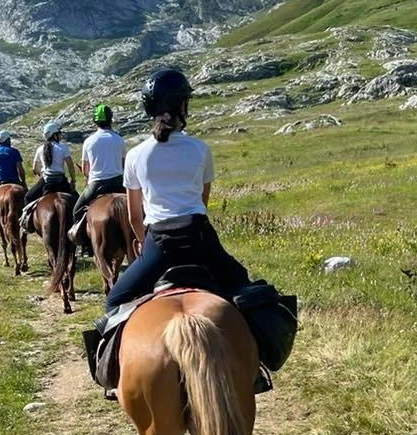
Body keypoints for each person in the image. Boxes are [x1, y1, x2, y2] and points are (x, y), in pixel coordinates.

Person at [104, 68, 250, 311]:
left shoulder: (135, 155)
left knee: (114, 301)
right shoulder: (200, 149)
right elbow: (202, 202)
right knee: (247, 289)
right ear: (183, 106)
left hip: (158, 243)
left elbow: (134, 216)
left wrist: (143, 242)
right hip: (201, 239)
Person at [67, 104, 127, 254]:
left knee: (76, 211)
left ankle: (85, 244)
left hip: (97, 184)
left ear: (95, 122)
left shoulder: (89, 141)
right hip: (118, 182)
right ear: (110, 120)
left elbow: (86, 170)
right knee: (138, 207)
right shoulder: (119, 140)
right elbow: (124, 165)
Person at [23, 121, 76, 209]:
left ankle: (25, 220)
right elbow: (70, 165)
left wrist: (40, 174)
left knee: (28, 197)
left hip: (46, 180)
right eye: (59, 133)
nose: (60, 135)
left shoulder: (40, 149)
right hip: (61, 181)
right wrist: (73, 181)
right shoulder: (63, 147)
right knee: (77, 200)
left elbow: (35, 169)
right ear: (54, 135)